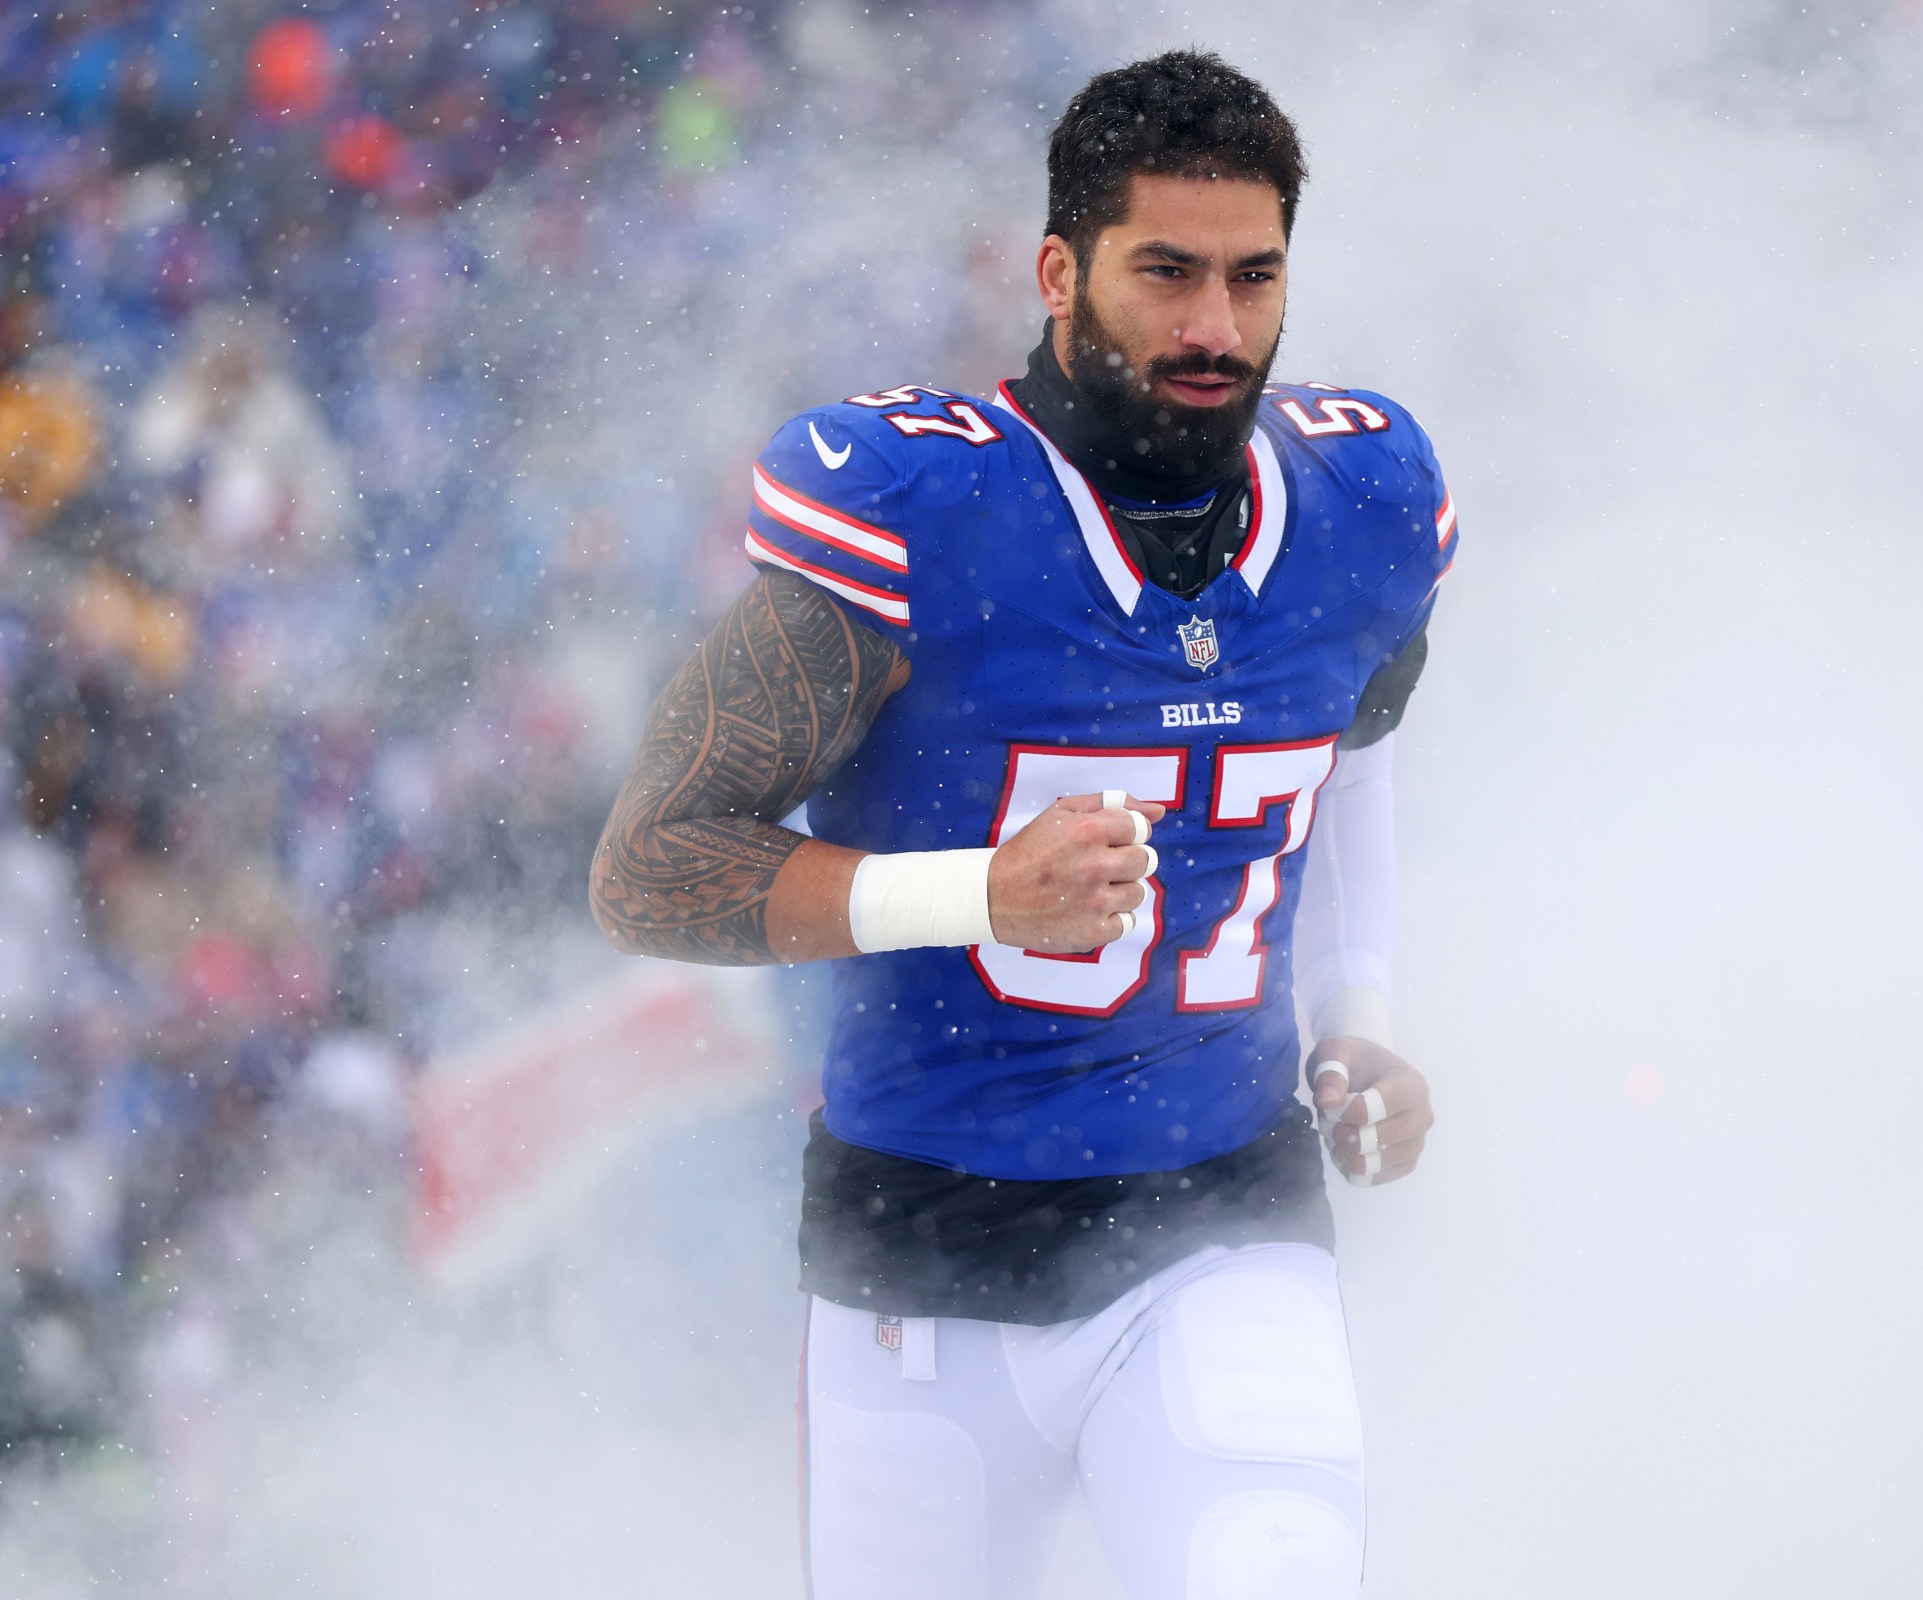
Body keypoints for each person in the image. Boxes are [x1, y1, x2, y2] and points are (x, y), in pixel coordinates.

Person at [590, 49, 1458, 1600]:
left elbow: (1351, 763)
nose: (1215, 326)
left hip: (1223, 1224)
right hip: (921, 1269)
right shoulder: (922, 511)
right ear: (1060, 269)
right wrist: (972, 893)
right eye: (1166, 273)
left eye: (1254, 277)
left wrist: (1361, 1012)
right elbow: (650, 866)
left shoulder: (1365, 499)